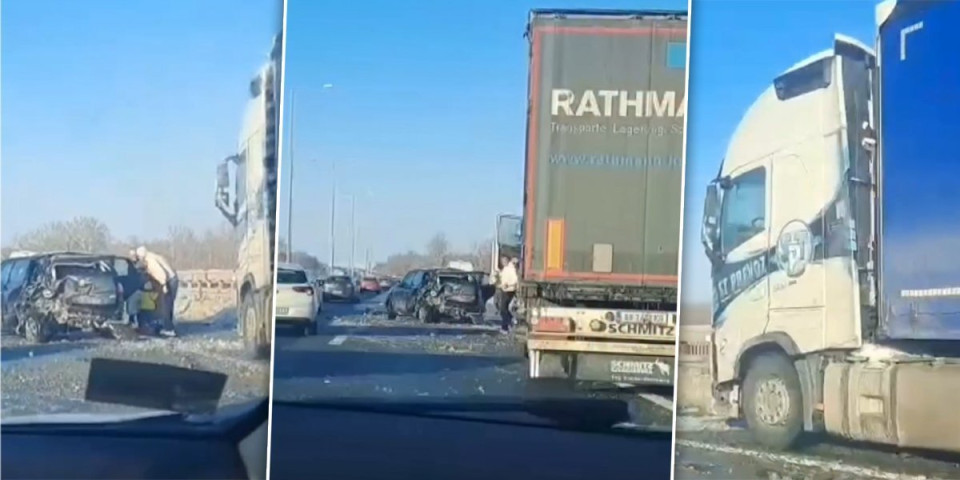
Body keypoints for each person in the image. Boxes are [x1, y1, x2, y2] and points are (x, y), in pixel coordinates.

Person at [131, 246, 178, 337]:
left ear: (142, 255)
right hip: (172, 278)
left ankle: (168, 329)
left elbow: (162, 274)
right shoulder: (153, 256)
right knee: (168, 305)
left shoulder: (150, 261)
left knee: (166, 305)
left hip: (168, 281)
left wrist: (164, 286)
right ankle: (168, 327)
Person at [497, 256, 519, 333]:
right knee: (503, 309)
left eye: (504, 260)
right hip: (505, 289)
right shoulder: (506, 268)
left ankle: (510, 321)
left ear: (507, 260)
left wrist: (508, 284)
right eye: (502, 261)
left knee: (503, 309)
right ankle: (505, 326)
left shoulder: (511, 268)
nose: (503, 262)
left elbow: (515, 279)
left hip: (509, 290)